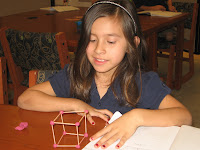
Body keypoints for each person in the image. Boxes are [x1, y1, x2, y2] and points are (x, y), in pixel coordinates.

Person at [18, 0, 192, 149]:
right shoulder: (75, 74)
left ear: (132, 44)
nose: (98, 49)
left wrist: (136, 117)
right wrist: (76, 105)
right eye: (92, 40)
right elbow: (25, 99)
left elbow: (184, 116)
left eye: (110, 41)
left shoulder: (142, 82)